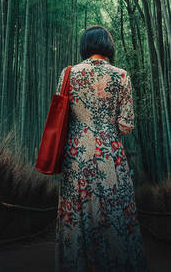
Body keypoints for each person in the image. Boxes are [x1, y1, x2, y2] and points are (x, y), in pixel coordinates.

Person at [55, 25, 149, 271]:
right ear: (108, 46)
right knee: (114, 211)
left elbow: (60, 116)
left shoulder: (69, 74)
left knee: (78, 213)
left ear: (85, 46)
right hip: (111, 153)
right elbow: (126, 125)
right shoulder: (121, 75)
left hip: (77, 154)